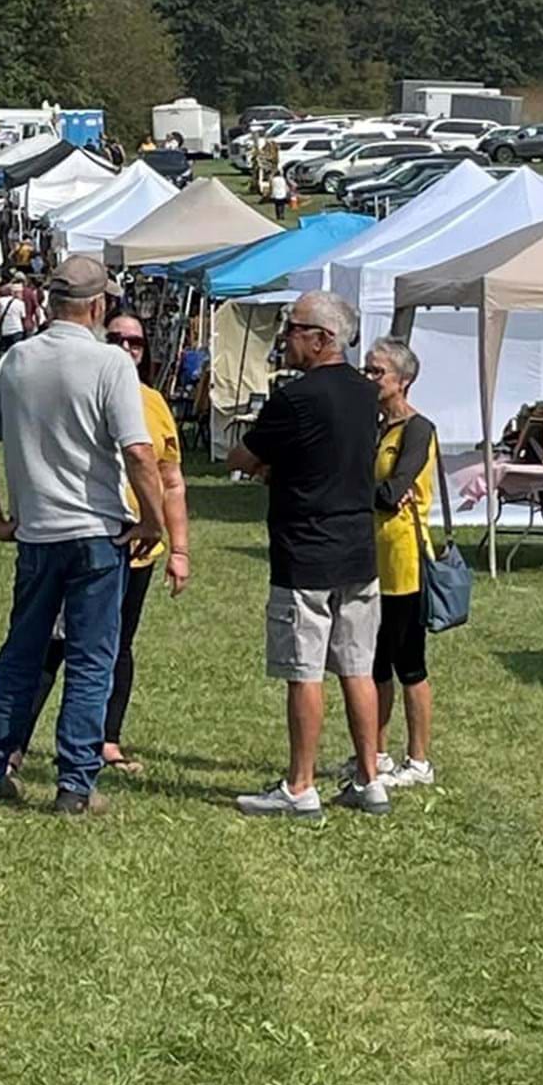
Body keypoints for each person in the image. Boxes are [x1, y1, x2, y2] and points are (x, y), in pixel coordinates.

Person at [0, 255, 166, 816]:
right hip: (97, 532)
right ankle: (75, 783)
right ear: (99, 306)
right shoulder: (110, 364)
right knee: (91, 659)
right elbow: (139, 452)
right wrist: (152, 521)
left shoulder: (17, 359)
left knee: (21, 652)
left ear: (50, 303)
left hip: (37, 532)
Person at [227, 291, 387, 819]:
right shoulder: (368, 395)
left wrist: (265, 466)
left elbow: (247, 456)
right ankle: (370, 777)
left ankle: (300, 785)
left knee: (306, 671)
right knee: (359, 667)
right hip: (358, 548)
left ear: (321, 339)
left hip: (306, 550)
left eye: (293, 328)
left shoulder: (294, 398)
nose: (284, 337)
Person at [12, 307, 190, 781]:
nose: (127, 349)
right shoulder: (82, 385)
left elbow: (171, 479)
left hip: (138, 549)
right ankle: (17, 743)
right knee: (56, 644)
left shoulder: (153, 402)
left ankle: (105, 741)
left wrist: (177, 547)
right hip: (88, 538)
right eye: (117, 339)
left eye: (136, 343)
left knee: (117, 646)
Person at [364, 340, 437, 789]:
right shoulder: (373, 427)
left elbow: (393, 493)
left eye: (378, 373)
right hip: (368, 557)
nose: (370, 379)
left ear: (402, 381)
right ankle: (377, 753)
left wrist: (353, 490)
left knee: (409, 663)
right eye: (368, 371)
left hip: (403, 559)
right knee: (374, 665)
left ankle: (419, 760)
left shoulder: (417, 429)